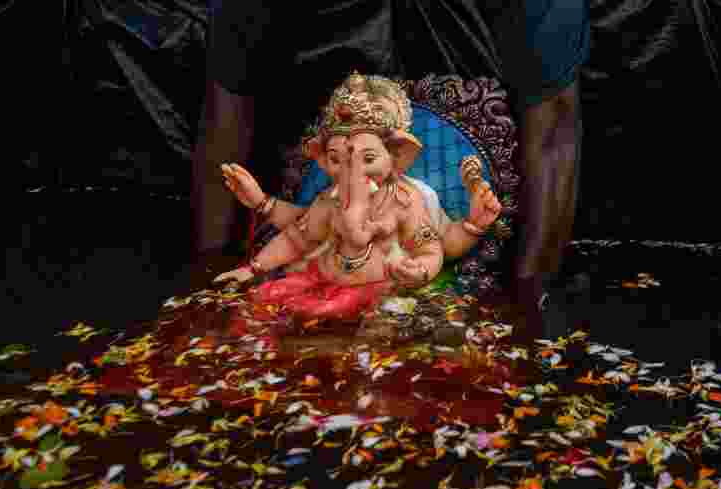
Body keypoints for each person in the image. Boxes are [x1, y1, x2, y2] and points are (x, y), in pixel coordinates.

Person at [191, 1, 589, 330]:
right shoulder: (328, 201)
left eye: (367, 158)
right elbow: (293, 230)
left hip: (422, 300)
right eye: (340, 157)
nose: (354, 171)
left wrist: (523, 305)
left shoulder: (410, 200)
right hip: (317, 289)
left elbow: (553, 131)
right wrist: (222, 283)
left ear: (398, 158)